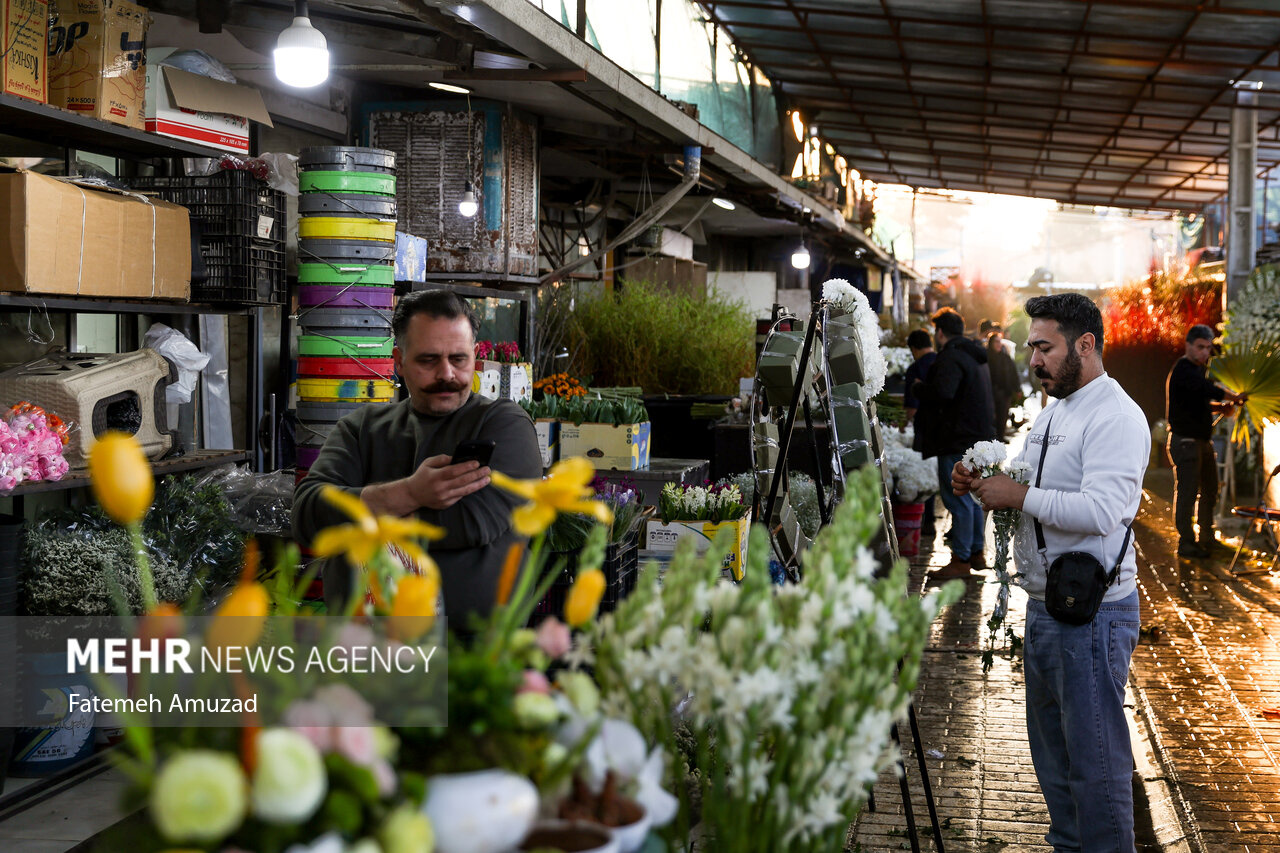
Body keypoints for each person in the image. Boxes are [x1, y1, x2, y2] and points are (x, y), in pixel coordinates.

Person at [955, 293, 1148, 853]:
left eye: (1045, 347)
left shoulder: (1113, 415)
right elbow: (1028, 481)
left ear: (1085, 345)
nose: (1033, 359)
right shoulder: (1056, 409)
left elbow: (1104, 510)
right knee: (1056, 764)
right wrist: (985, 478)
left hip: (1092, 616)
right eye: (1031, 347)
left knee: (1096, 765)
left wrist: (1020, 493)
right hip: (1047, 608)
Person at [293, 289, 543, 633]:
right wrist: (411, 493)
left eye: (459, 359)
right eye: (428, 360)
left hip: (476, 660)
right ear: (398, 360)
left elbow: (472, 521)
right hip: (368, 656)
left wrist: (360, 512)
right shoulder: (361, 428)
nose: (447, 374)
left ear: (474, 355)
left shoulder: (503, 425)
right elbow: (308, 515)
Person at [911, 307, 996, 577]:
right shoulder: (974, 356)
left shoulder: (950, 357)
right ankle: (975, 552)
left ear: (939, 332)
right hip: (975, 435)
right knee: (970, 498)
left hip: (956, 437)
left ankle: (960, 560)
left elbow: (943, 393)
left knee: (957, 498)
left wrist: (918, 388)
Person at [1165, 324, 1245, 558]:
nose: (1205, 353)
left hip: (1201, 441)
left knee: (1210, 490)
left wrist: (1220, 407)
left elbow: (1199, 399)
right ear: (1188, 345)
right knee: (1188, 493)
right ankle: (1186, 543)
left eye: (1208, 348)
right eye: (1200, 347)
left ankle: (1207, 537)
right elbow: (1206, 389)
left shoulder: (1197, 371)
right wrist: (1233, 397)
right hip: (1185, 442)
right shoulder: (1183, 369)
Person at [902, 328, 938, 534]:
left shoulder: (915, 368)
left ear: (914, 349)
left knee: (923, 471)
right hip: (946, 428)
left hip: (924, 428)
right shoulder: (943, 363)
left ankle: (926, 519)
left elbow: (912, 407)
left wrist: (902, 422)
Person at [987, 328, 1021, 440]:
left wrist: (1017, 389)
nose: (998, 344)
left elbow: (1013, 373)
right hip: (990, 393)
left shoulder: (1005, 357)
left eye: (999, 341)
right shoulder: (986, 357)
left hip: (1005, 392)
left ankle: (1000, 438)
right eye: (996, 341)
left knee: (1003, 416)